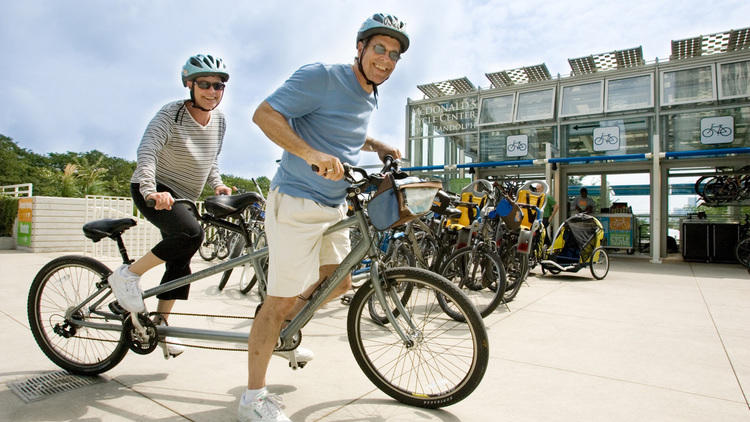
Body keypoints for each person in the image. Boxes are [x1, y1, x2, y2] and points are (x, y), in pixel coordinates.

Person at [238, 13, 408, 422]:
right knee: (277, 302)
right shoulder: (322, 76)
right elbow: (264, 114)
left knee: (339, 281)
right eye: (379, 49)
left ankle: (284, 329)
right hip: (296, 201)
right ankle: (252, 398)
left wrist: (378, 144)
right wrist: (311, 155)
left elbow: (344, 133)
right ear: (360, 47)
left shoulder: (370, 93)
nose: (385, 59)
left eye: (394, 54)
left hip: (333, 205)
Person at [107, 54, 233, 359]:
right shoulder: (171, 114)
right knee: (192, 234)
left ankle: (161, 324)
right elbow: (147, 152)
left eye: (218, 85)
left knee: (181, 258)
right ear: (189, 84)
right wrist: (151, 192)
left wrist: (217, 184)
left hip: (185, 197)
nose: (212, 91)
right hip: (153, 188)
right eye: (204, 84)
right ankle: (127, 276)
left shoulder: (219, 121)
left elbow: (211, 159)